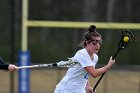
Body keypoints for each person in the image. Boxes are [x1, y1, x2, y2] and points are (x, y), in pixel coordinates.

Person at [54, 25, 115, 93]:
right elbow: (94, 74)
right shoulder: (82, 54)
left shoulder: (95, 57)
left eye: (99, 42)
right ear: (87, 43)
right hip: (65, 90)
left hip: (79, 90)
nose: (98, 45)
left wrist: (87, 87)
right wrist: (108, 66)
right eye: (95, 42)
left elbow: (85, 73)